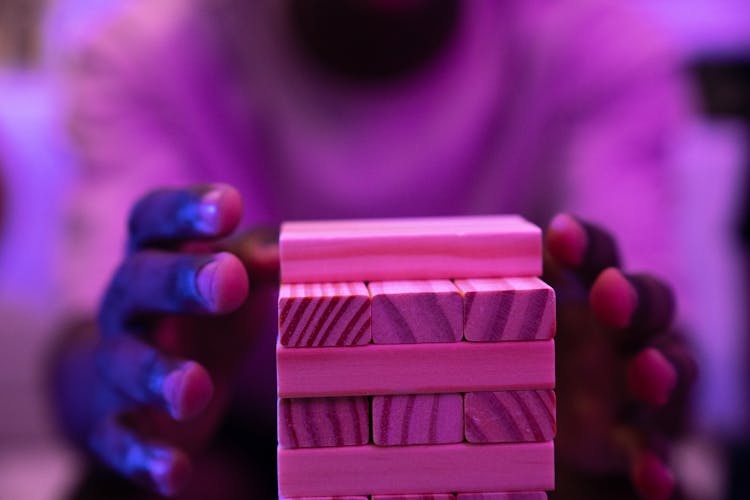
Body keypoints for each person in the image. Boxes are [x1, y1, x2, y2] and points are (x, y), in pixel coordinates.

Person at [50, 0, 696, 498]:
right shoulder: (151, 58)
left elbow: (657, 351)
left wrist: (624, 387)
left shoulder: (592, 45)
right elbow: (87, 362)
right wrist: (129, 382)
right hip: (240, 452)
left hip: (516, 455)